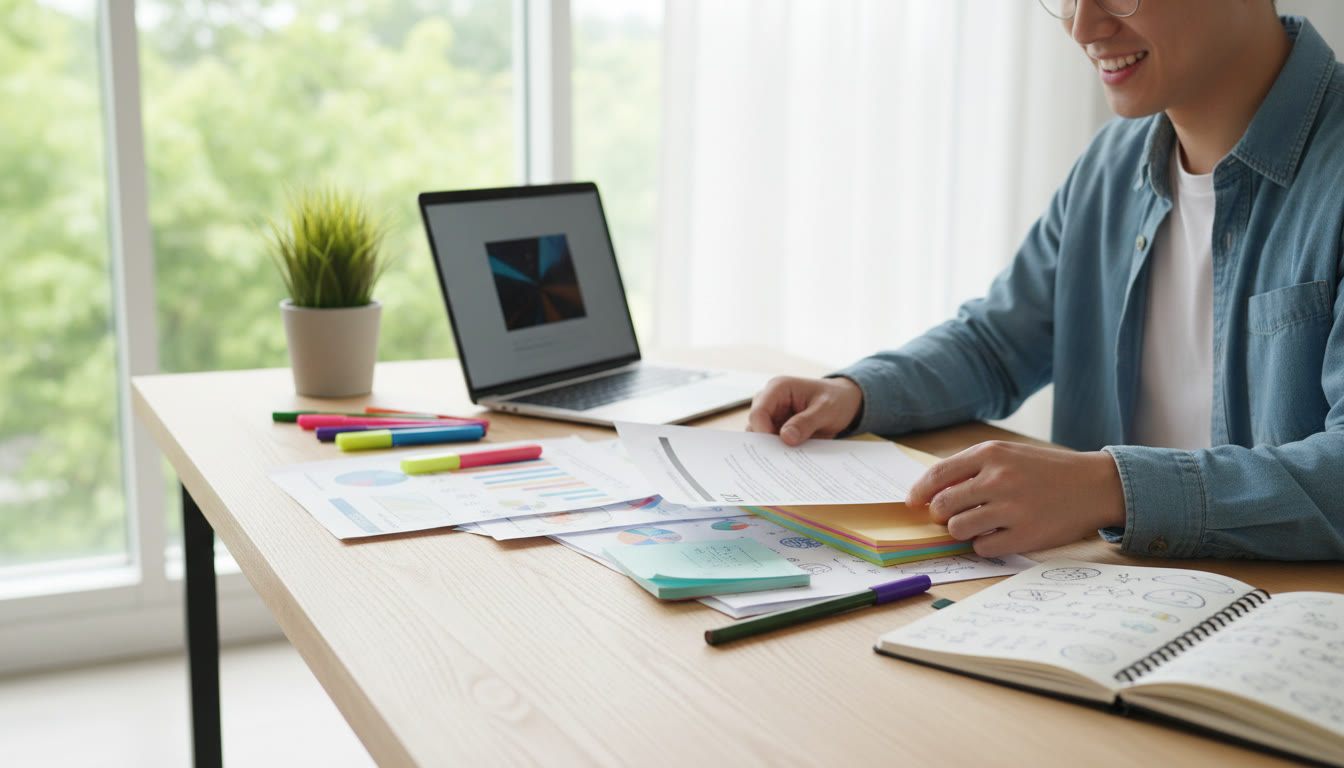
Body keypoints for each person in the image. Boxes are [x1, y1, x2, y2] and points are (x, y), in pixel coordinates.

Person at [747, 0, 1344, 561]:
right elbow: (997, 344)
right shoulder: (1112, 164)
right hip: (1107, 599)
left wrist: (1110, 488)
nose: (1083, 28)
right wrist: (860, 392)